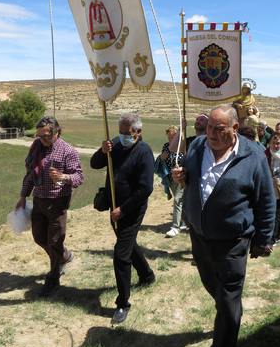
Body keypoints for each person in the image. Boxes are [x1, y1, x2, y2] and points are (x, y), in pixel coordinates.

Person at [172, 105, 275, 347]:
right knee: (213, 287)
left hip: (233, 240)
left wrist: (264, 237)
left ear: (234, 129)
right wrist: (181, 177)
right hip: (200, 236)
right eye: (209, 128)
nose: (212, 135)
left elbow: (266, 198)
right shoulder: (196, 148)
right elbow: (191, 179)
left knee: (229, 302)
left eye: (219, 129)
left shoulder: (252, 154)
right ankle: (226, 318)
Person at [90, 113, 155, 324]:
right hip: (113, 206)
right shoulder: (116, 144)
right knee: (128, 244)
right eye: (120, 132)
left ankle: (122, 303)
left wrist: (123, 210)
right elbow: (94, 164)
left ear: (138, 132)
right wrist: (103, 151)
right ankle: (146, 275)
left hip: (131, 209)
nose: (123, 137)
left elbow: (146, 188)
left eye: (127, 133)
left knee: (120, 254)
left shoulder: (144, 152)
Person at [15, 116, 84, 297]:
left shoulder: (67, 151)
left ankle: (53, 279)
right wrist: (23, 196)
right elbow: (30, 175)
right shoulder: (36, 148)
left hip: (58, 202)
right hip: (39, 201)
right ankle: (64, 256)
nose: (42, 139)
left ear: (57, 132)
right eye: (39, 136)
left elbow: (79, 177)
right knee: (39, 238)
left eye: (46, 136)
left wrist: (63, 177)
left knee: (54, 242)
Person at [159, 125, 187, 237]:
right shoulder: (166, 146)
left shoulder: (183, 145)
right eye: (169, 137)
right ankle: (184, 221)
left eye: (173, 137)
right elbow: (161, 159)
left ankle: (175, 226)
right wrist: (162, 157)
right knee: (180, 200)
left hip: (181, 177)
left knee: (177, 199)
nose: (171, 139)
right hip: (171, 177)